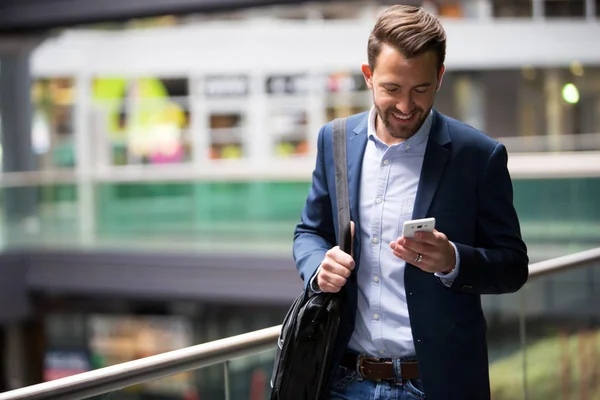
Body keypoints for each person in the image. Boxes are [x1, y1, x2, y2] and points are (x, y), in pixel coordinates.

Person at [293, 5, 529, 400]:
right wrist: (319, 265)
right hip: (343, 381)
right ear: (368, 77)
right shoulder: (333, 141)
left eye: (420, 89)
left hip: (437, 385)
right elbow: (308, 232)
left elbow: (513, 266)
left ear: (439, 78)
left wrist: (453, 260)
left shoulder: (478, 156)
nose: (405, 106)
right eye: (391, 89)